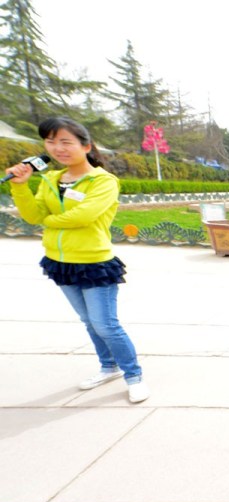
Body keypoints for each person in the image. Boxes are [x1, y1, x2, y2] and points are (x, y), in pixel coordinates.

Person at [6, 117, 150, 403]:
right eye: (50, 142)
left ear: (86, 146)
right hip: (60, 262)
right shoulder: (50, 180)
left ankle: (133, 376)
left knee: (106, 324)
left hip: (95, 263)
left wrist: (48, 220)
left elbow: (84, 216)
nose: (57, 148)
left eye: (65, 142)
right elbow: (32, 215)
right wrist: (21, 186)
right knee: (89, 321)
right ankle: (108, 367)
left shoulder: (103, 181)